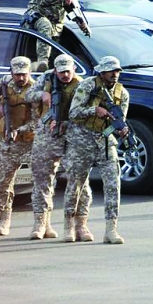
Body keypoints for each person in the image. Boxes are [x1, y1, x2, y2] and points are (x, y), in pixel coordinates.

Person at [63, 56, 130, 245]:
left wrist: (121, 129)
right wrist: (94, 110)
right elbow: (73, 113)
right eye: (111, 71)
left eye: (117, 71)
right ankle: (69, 225)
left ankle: (111, 229)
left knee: (113, 184)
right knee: (75, 184)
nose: (114, 75)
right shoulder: (87, 86)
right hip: (81, 140)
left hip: (105, 142)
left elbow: (119, 120)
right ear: (102, 72)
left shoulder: (122, 93)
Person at [25, 54, 88, 240]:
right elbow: (28, 95)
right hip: (46, 136)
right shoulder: (46, 78)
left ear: (74, 69)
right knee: (42, 179)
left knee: (79, 182)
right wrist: (42, 94)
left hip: (72, 137)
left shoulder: (82, 85)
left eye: (68, 71)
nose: (66, 75)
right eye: (61, 72)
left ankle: (80, 226)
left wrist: (66, 123)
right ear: (55, 71)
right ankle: (41, 223)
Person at [0, 56, 40, 237]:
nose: (20, 78)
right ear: (11, 73)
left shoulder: (36, 88)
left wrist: (21, 130)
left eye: (23, 74)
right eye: (17, 75)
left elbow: (37, 119)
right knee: (3, 182)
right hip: (8, 141)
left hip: (28, 141)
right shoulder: (5, 83)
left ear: (29, 72)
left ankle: (41, 224)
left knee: (41, 182)